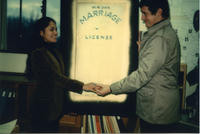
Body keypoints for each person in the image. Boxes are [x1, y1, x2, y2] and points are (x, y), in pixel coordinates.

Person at [90, 0, 181, 133]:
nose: (142, 18)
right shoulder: (161, 34)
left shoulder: (159, 38)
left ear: (159, 12)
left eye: (145, 14)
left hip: (157, 112)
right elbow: (158, 67)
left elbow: (141, 76)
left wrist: (110, 88)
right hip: (159, 108)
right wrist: (142, 53)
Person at [25, 17, 96, 132]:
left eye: (56, 29)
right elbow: (55, 78)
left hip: (55, 109)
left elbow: (62, 75)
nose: (56, 33)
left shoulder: (55, 51)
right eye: (51, 30)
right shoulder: (37, 53)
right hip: (43, 110)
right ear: (41, 33)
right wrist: (83, 86)